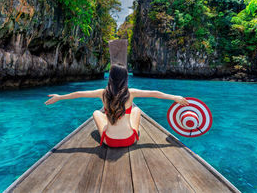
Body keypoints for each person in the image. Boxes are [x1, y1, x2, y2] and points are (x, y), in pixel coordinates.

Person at [44, 63, 190, 147]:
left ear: (111, 78)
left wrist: (60, 97)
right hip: (130, 140)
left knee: (96, 113)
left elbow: (79, 94)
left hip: (109, 141)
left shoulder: (103, 93)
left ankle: (110, 123)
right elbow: (154, 93)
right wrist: (174, 97)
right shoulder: (131, 93)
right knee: (137, 110)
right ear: (125, 78)